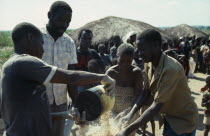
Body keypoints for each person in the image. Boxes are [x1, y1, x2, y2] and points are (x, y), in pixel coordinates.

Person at [0, 22, 115, 136]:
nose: (43, 50)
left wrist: (65, 115)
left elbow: (31, 113)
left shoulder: (13, 64)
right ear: (30, 38)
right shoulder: (23, 62)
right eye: (41, 43)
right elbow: (71, 77)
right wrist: (103, 77)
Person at [116, 29, 198, 136]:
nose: (139, 53)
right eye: (138, 49)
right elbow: (146, 92)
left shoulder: (170, 69)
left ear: (156, 46)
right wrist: (130, 113)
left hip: (183, 119)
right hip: (169, 117)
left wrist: (127, 130)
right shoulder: (148, 63)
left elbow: (157, 105)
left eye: (142, 49)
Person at [41, 2, 78, 136]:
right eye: (61, 20)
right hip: (38, 103)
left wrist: (76, 104)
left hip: (61, 103)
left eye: (68, 22)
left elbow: (72, 77)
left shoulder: (69, 43)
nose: (65, 25)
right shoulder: (37, 38)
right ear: (50, 15)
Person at [106, 43, 143, 136]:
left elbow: (139, 95)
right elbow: (105, 94)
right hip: (113, 111)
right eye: (122, 60)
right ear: (117, 57)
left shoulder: (136, 73)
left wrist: (129, 112)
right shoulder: (111, 73)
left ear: (133, 59)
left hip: (130, 113)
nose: (125, 64)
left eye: (129, 61)